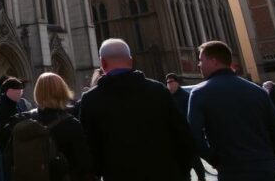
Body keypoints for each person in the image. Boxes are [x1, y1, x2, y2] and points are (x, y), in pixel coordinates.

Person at [79, 39, 194, 180]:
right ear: (131, 61)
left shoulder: (90, 100)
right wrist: (182, 171)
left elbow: (89, 149)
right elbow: (183, 136)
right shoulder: (158, 90)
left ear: (102, 63)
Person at [188, 40, 275, 181]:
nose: (199, 65)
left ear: (213, 61)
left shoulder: (199, 93)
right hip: (267, 170)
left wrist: (214, 160)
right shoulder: (257, 91)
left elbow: (194, 136)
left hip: (232, 171)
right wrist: (268, 156)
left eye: (201, 60)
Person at [9, 72, 92, 180]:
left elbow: (10, 158)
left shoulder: (21, 119)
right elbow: (84, 164)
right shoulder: (71, 124)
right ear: (63, 91)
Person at [167, 73, 207, 181]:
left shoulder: (186, 96)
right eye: (168, 83)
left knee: (194, 161)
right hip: (176, 138)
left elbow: (192, 117)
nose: (169, 85)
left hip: (188, 134)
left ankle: (201, 177)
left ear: (177, 83)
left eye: (171, 82)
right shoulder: (167, 98)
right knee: (183, 168)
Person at [0, 76, 30, 181]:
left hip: (19, 147)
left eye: (21, 91)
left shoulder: (19, 104)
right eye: (17, 90)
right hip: (6, 148)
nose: (20, 93)